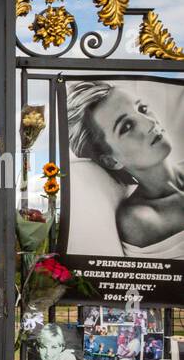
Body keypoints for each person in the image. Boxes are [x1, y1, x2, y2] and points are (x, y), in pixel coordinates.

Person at [67, 79, 184, 258]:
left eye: (142, 109)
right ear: (111, 161)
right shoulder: (139, 219)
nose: (149, 123)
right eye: (126, 127)